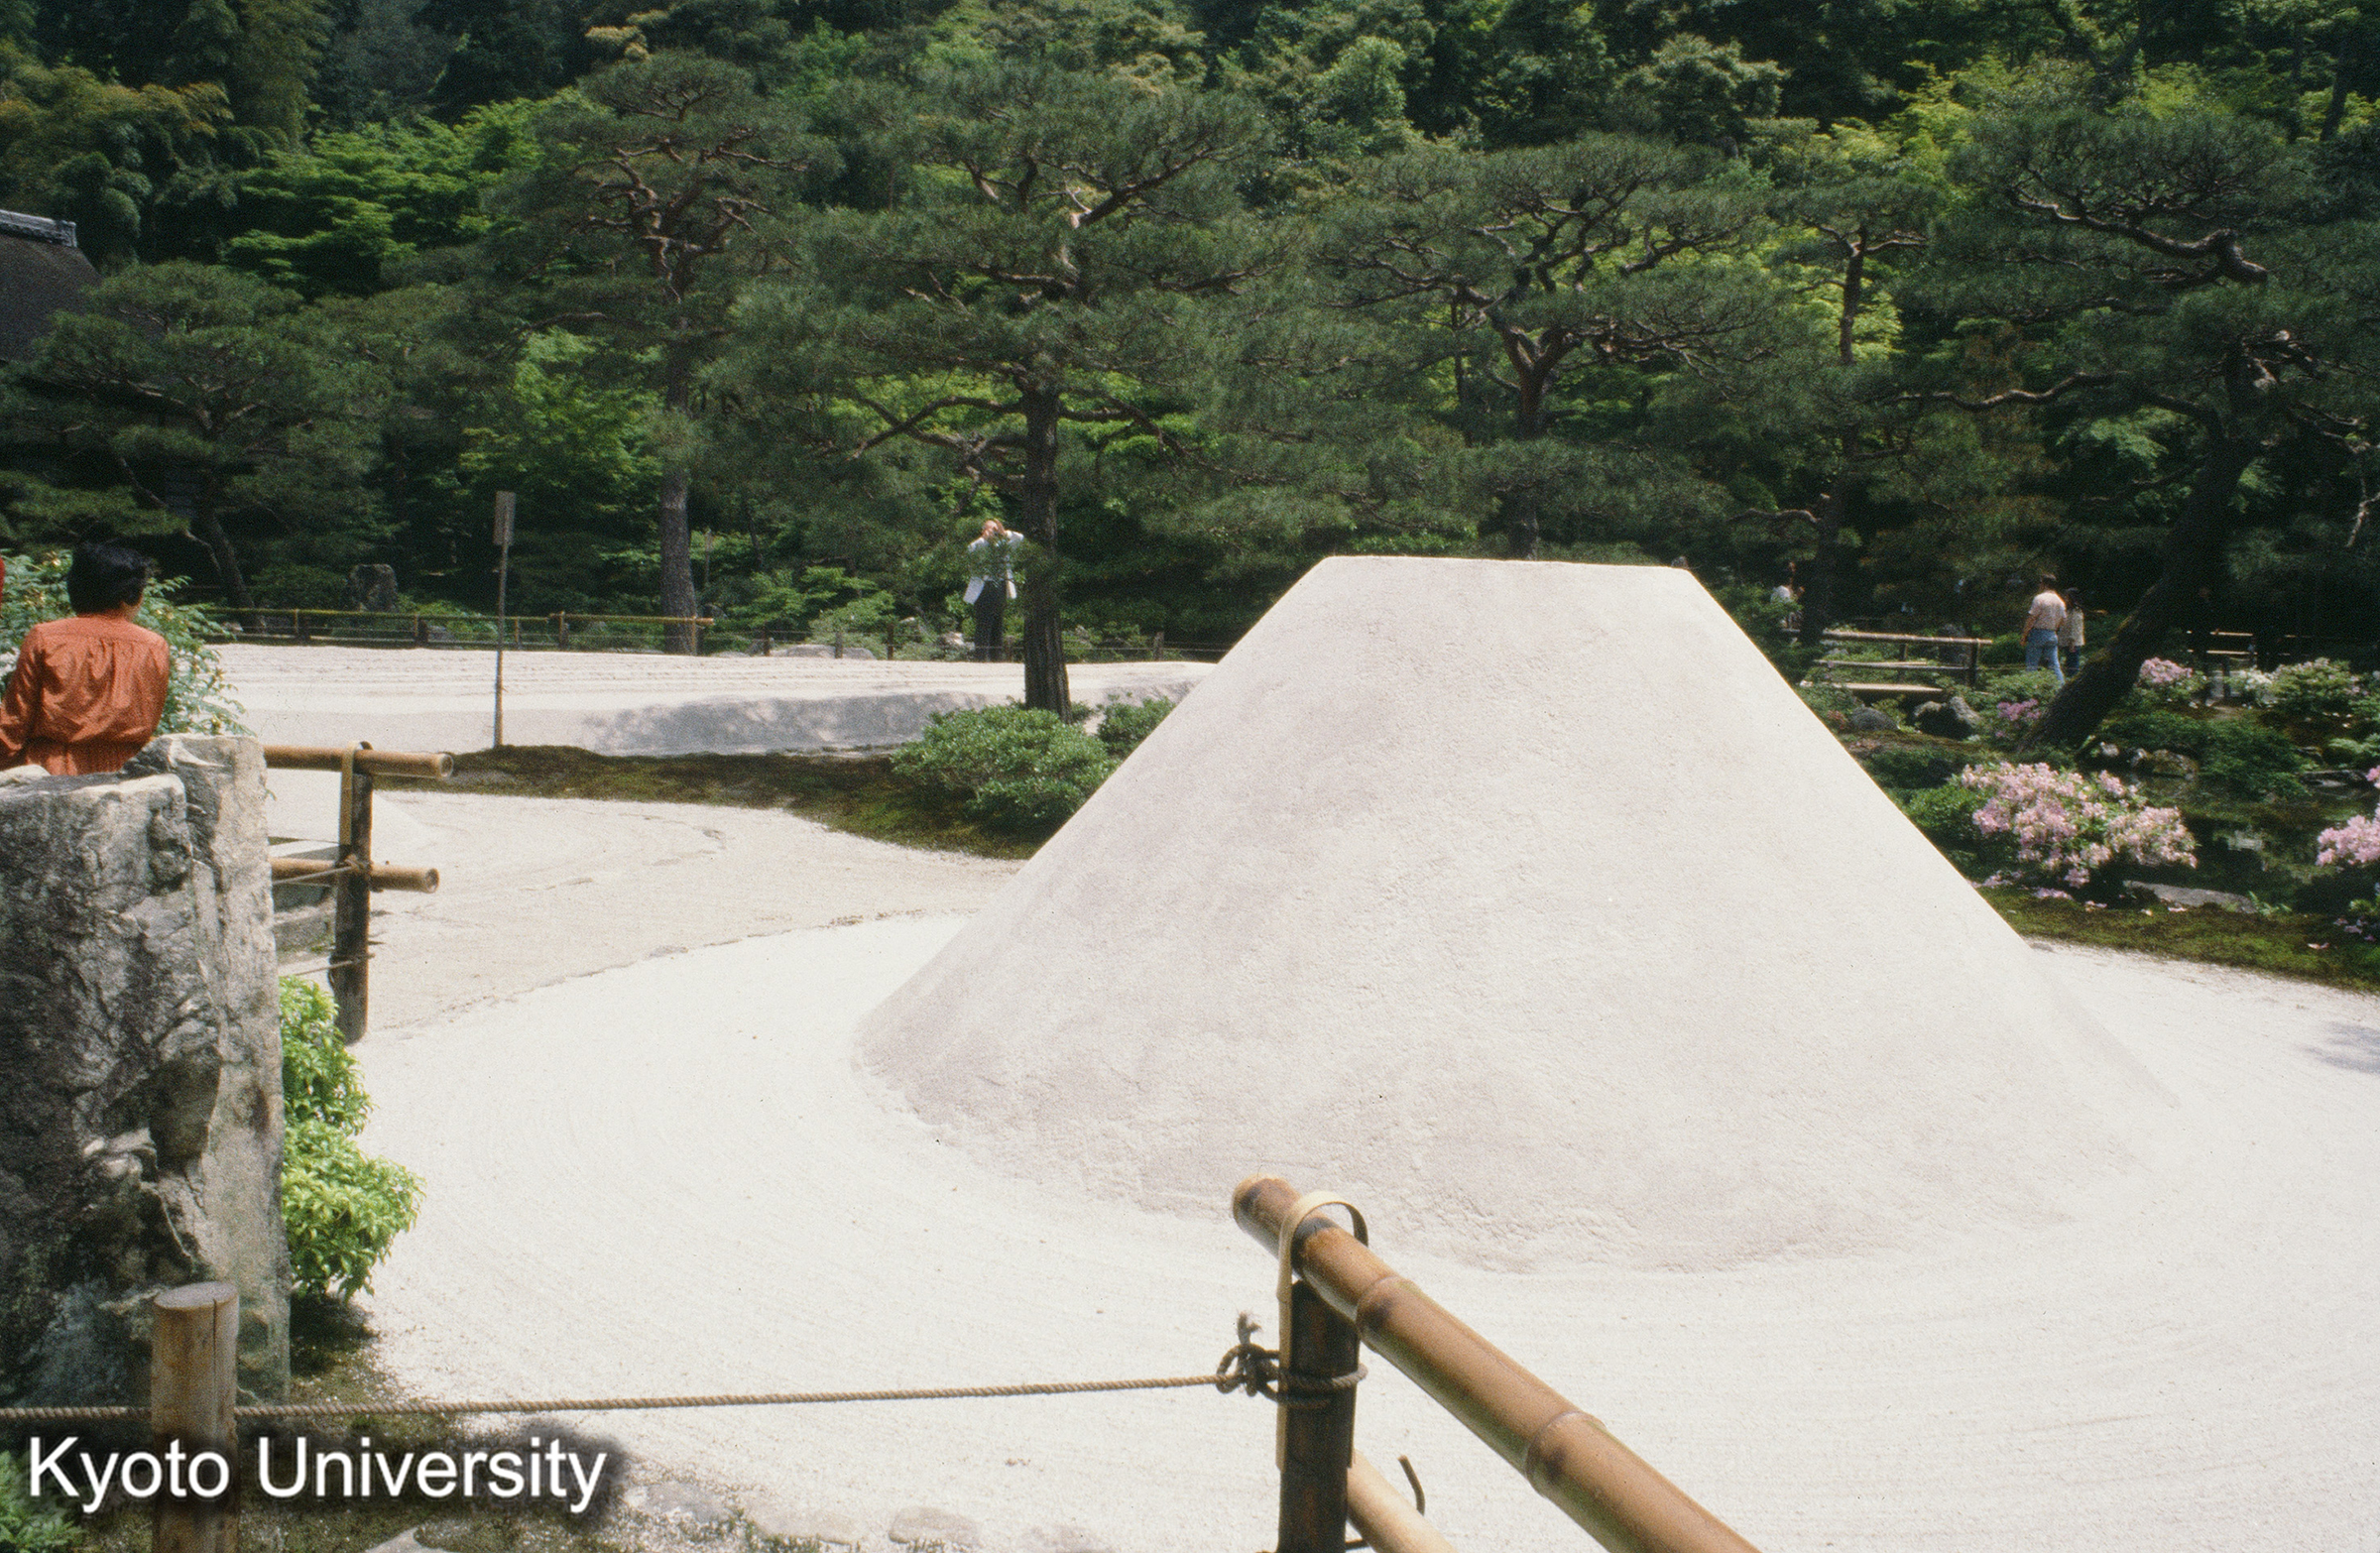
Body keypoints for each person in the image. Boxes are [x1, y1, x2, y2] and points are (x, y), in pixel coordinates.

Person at [0, 541, 171, 776]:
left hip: (50, 770)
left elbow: (14, 722)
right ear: (132, 596)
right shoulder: (153, 645)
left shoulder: (45, 637)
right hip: (126, 772)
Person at [963, 519, 1023, 662]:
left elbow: (1020, 538)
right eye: (991, 529)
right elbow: (969, 552)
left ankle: (996, 656)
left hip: (1001, 585)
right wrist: (983, 538)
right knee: (984, 621)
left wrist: (1004, 533)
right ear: (984, 530)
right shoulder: (979, 544)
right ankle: (981, 656)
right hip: (984, 587)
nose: (993, 533)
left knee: (998, 620)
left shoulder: (1003, 544)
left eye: (995, 530)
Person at [2021, 572, 2067, 687]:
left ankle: (2030, 688)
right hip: (2052, 633)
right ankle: (2061, 687)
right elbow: (2063, 620)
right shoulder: (2060, 601)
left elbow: (2032, 618)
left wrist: (2024, 635)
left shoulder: (2039, 598)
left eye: (2040, 582)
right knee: (2055, 665)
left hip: (2038, 632)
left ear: (2045, 584)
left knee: (2032, 664)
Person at [2058, 587, 2086, 677]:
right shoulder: (2069, 611)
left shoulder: (2076, 611)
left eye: (2067, 597)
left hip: (2072, 644)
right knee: (2069, 665)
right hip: (2067, 642)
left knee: (2073, 666)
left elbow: (2075, 628)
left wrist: (2072, 643)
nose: (2065, 599)